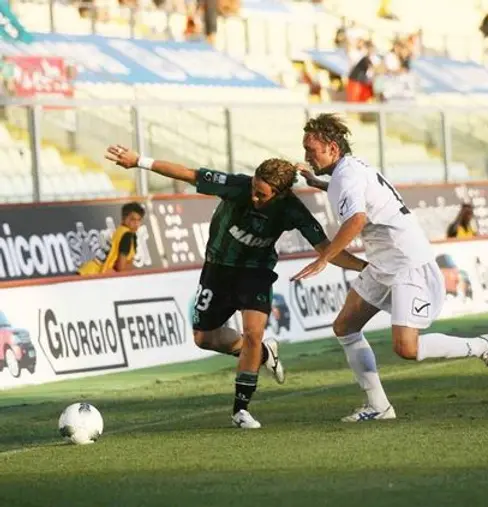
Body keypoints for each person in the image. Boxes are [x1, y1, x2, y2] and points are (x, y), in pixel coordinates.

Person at [105, 144, 368, 429]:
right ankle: (265, 355)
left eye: (262, 194)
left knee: (253, 333)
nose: (254, 197)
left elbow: (327, 249)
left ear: (279, 194)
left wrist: (367, 268)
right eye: (254, 188)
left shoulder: (292, 210)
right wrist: (139, 162)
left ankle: (240, 410)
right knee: (204, 339)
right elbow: (189, 174)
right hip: (217, 269)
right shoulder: (237, 186)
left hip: (255, 272)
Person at [294, 114, 488, 423]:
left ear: (331, 147)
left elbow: (356, 220)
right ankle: (379, 406)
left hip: (406, 262)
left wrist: (324, 258)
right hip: (385, 261)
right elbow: (361, 199)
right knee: (345, 326)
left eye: (310, 149)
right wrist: (316, 182)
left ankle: (483, 346)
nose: (306, 156)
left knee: (406, 348)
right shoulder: (351, 169)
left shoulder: (346, 176)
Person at [76, 201, 145, 275]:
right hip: (92, 275)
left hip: (87, 271)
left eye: (139, 220)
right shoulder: (127, 236)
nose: (136, 224)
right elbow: (120, 267)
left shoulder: (120, 231)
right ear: (124, 219)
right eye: (133, 219)